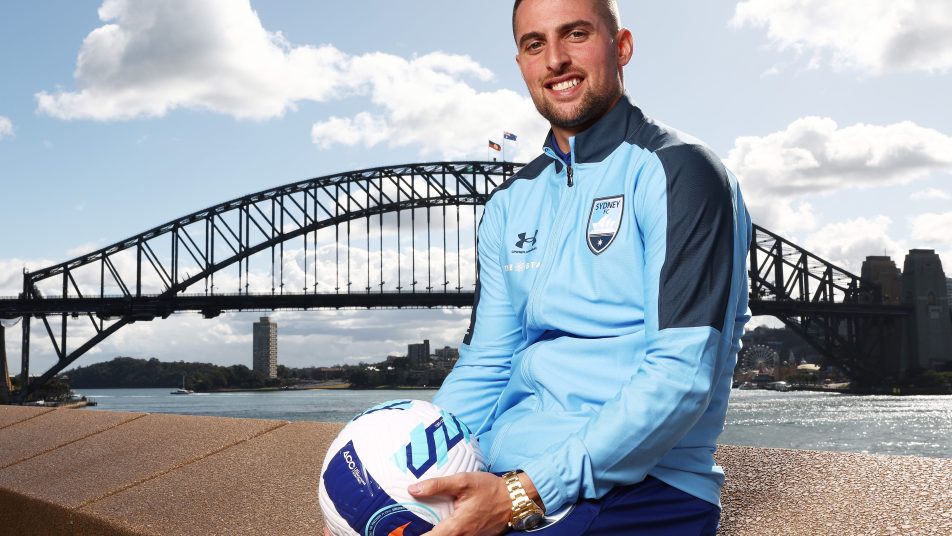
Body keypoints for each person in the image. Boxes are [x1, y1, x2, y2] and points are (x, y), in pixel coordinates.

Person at [409, 0, 752, 534]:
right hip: (507, 474)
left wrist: (523, 492)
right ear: (521, 63)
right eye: (535, 44)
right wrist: (407, 482)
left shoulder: (678, 169)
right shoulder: (509, 203)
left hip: (638, 488)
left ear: (622, 46)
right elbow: (486, 365)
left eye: (575, 34)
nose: (555, 61)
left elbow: (681, 376)